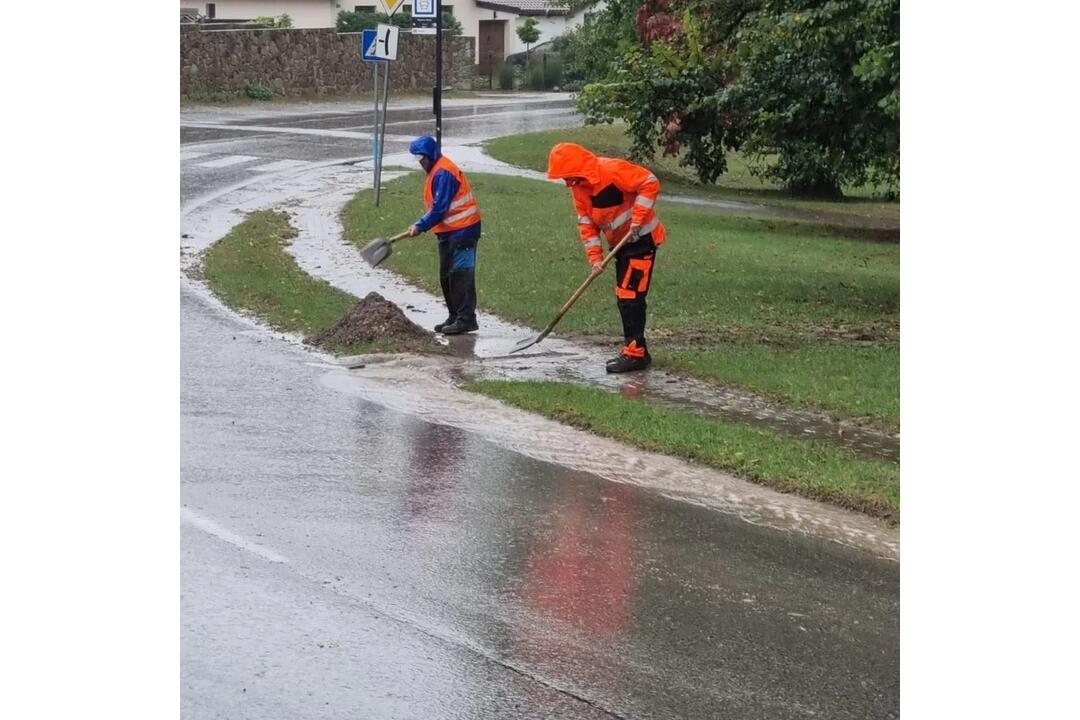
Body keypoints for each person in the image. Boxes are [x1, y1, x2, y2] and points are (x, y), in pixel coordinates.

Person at [546, 143, 666, 373]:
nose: (567, 183)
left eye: (569, 177)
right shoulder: (579, 189)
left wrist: (638, 218)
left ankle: (635, 354)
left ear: (578, 169)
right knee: (625, 296)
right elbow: (587, 224)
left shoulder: (611, 170)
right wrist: (595, 259)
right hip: (619, 245)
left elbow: (649, 182)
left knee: (630, 296)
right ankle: (636, 349)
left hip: (641, 240)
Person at [406, 136, 481, 335]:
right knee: (446, 276)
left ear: (429, 155)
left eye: (421, 158)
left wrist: (420, 226)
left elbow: (440, 208)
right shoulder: (435, 170)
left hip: (464, 231)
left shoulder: (444, 172)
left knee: (460, 275)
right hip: (448, 232)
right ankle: (454, 316)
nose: (420, 163)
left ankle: (466, 319)